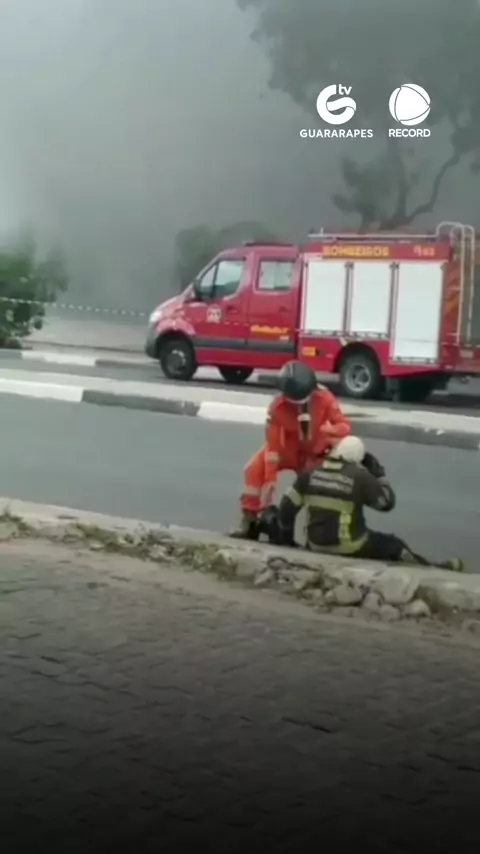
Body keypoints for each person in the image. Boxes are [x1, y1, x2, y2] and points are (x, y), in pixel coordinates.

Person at [266, 435, 464, 571]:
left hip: (315, 544)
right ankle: (432, 569)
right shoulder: (360, 477)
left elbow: (286, 510)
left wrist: (287, 541)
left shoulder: (310, 473)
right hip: (350, 545)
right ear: (358, 459)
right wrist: (379, 475)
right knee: (394, 545)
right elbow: (386, 503)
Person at [230, 360, 351, 539]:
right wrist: (270, 479)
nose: (301, 404)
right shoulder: (277, 407)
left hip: (315, 453)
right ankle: (249, 521)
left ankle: (317, 531)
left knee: (318, 486)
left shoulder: (325, 398)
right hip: (287, 449)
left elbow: (344, 426)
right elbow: (272, 445)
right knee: (252, 469)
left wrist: (329, 430)